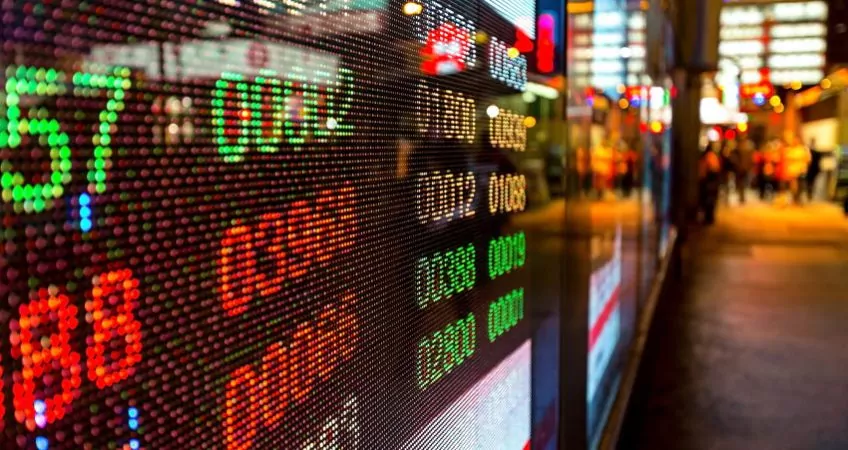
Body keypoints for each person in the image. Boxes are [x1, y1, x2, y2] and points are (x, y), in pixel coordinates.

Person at [699, 145, 722, 224]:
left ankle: (708, 218)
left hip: (709, 180)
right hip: (712, 180)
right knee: (711, 201)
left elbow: (705, 170)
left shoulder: (707, 157)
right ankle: (710, 217)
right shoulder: (714, 156)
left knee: (708, 200)